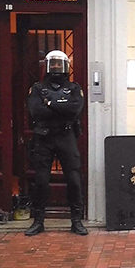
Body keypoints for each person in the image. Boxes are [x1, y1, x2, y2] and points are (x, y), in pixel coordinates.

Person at [25, 50, 88, 236]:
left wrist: (51, 104)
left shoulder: (74, 88)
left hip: (66, 137)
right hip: (43, 138)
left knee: (74, 180)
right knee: (41, 181)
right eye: (52, 64)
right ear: (46, 66)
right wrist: (62, 106)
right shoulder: (37, 88)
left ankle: (76, 220)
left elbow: (75, 110)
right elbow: (36, 112)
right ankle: (38, 220)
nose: (56, 68)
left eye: (59, 64)